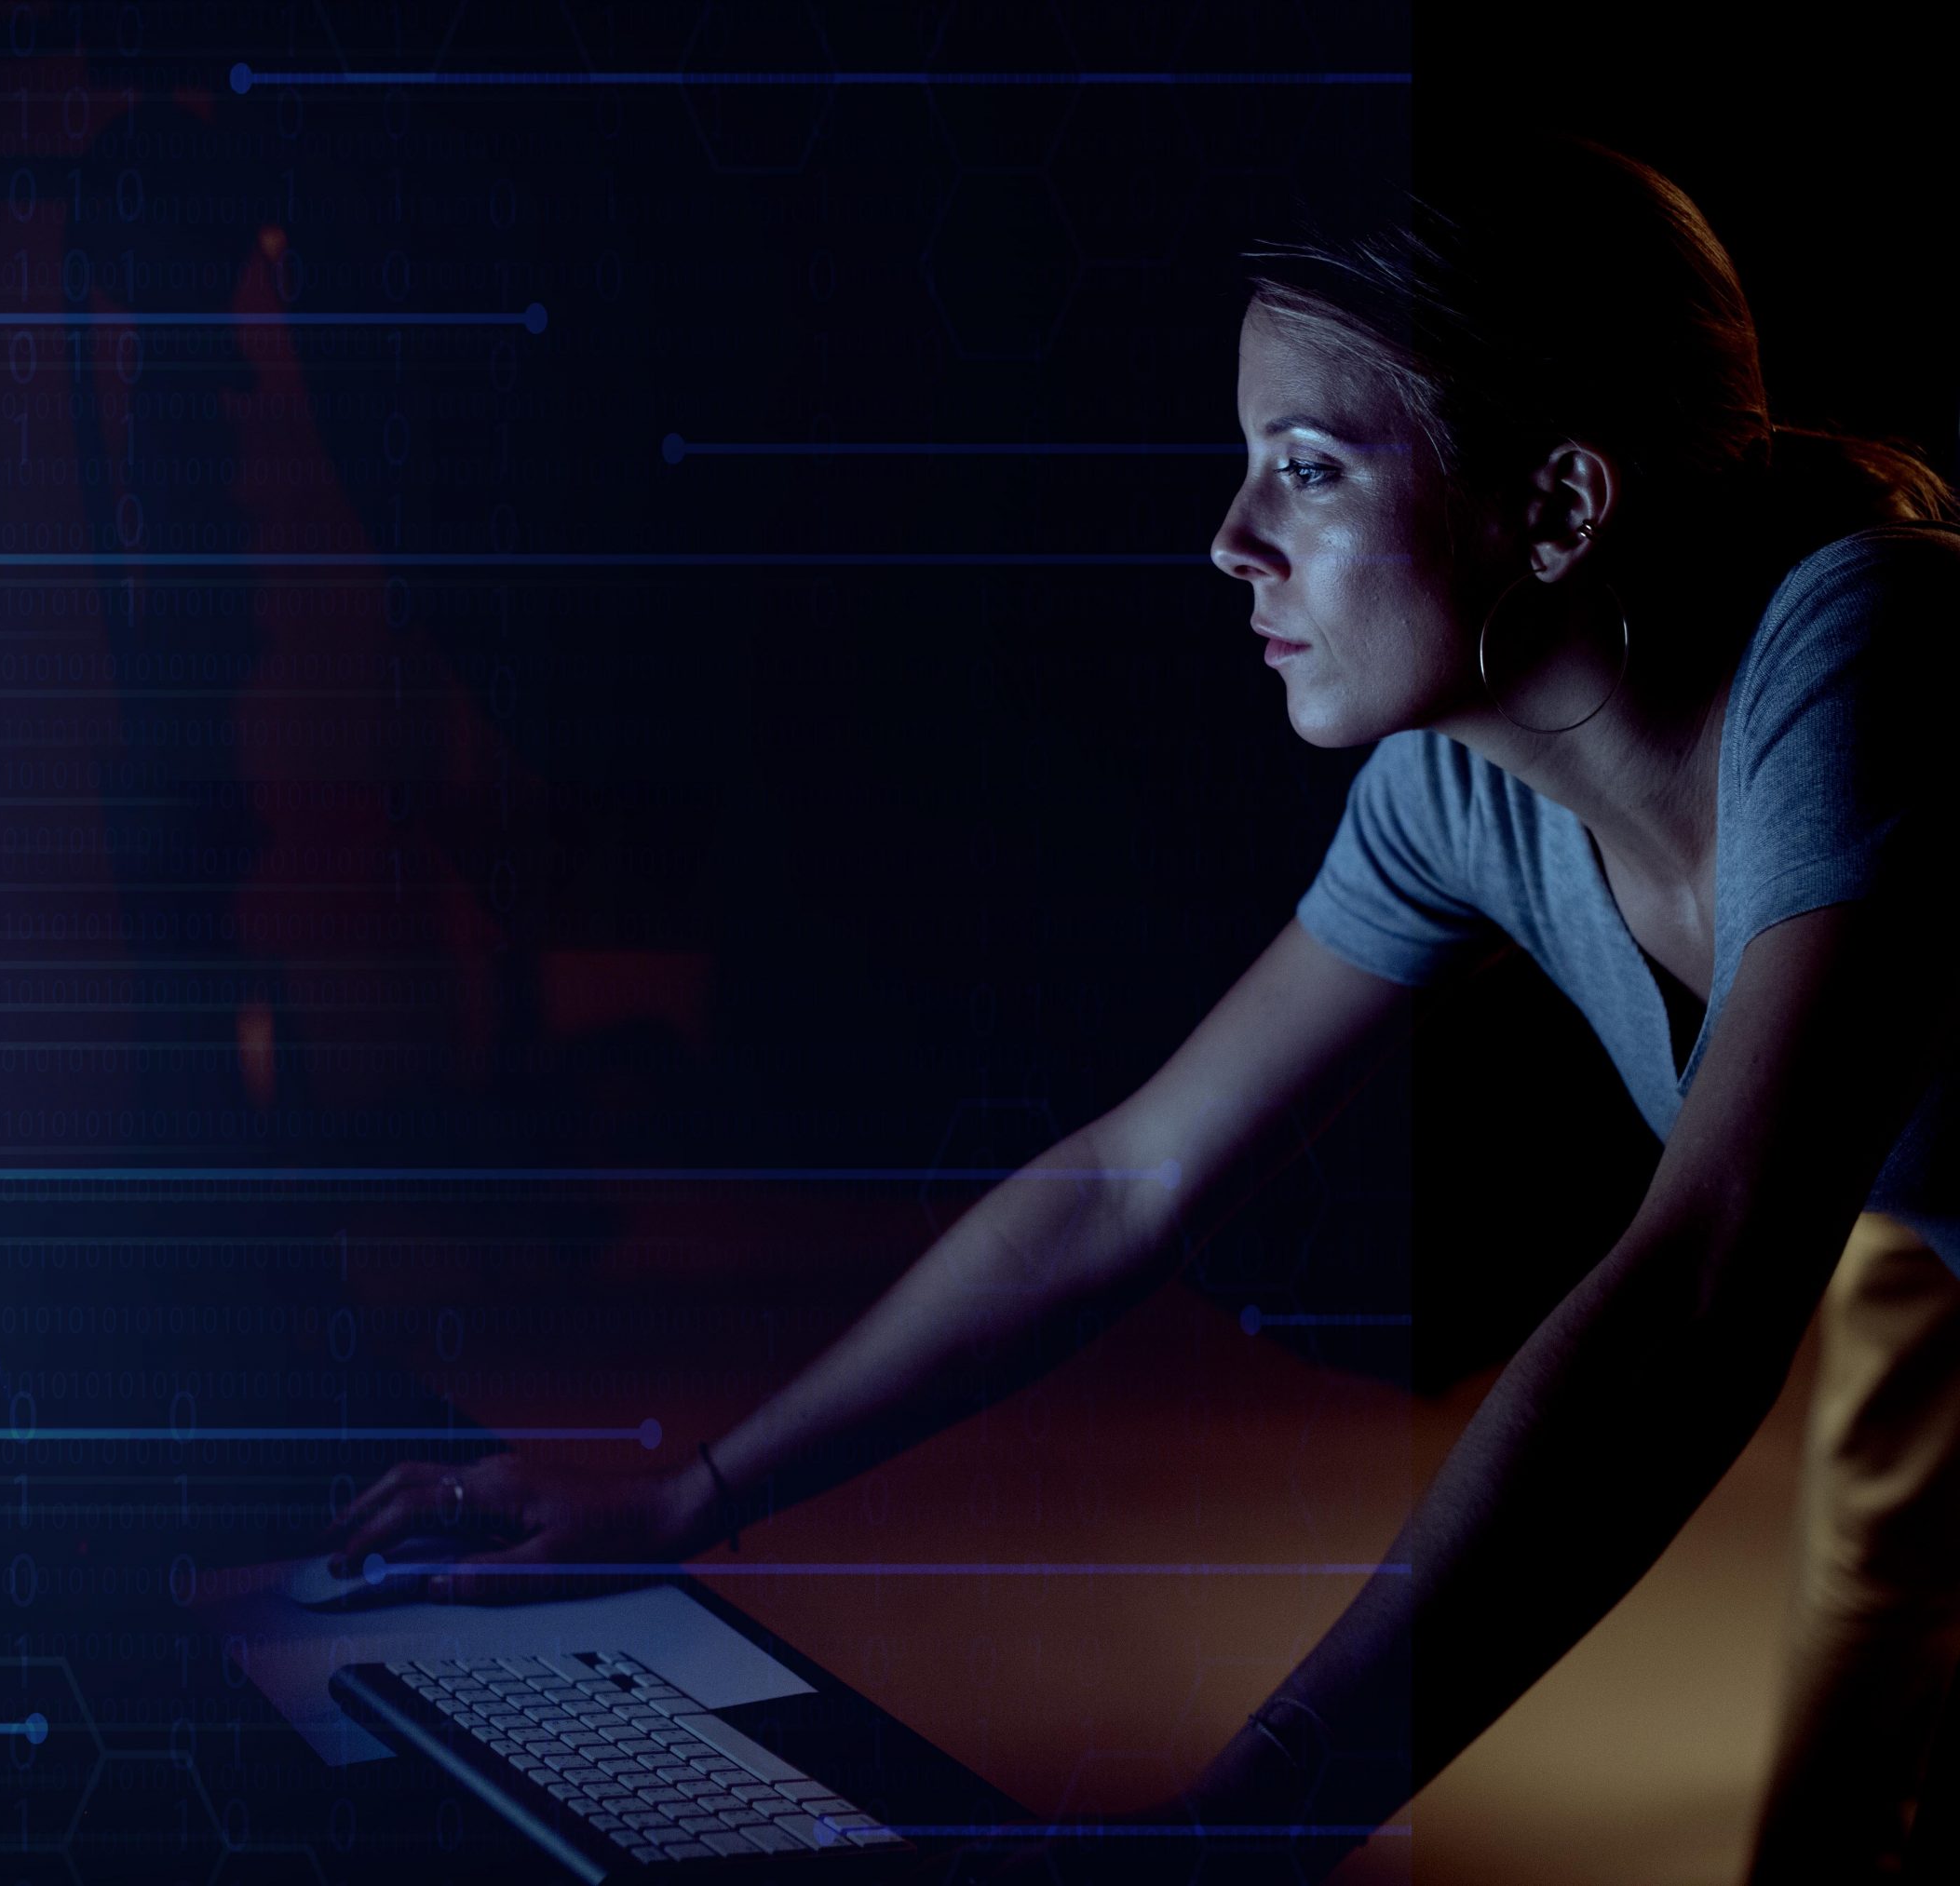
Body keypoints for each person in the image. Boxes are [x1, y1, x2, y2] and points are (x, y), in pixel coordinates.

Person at [326, 122, 1960, 1885]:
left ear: (1558, 506)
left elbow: (1702, 1284)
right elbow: (1137, 1178)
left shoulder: (1861, 656)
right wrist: (688, 1498)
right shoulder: (1461, 791)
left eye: (1310, 468)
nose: (1230, 536)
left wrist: (1265, 1810)